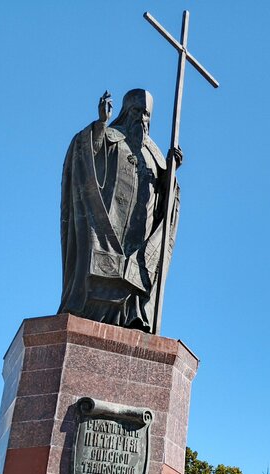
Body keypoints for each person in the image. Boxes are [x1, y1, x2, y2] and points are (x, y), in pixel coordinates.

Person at [59, 89, 181, 332]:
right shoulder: (110, 136)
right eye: (137, 112)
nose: (142, 119)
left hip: (140, 228)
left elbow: (166, 203)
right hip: (110, 221)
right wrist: (101, 124)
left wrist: (171, 173)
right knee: (105, 266)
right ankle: (93, 312)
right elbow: (86, 154)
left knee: (138, 268)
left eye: (146, 114)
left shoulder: (154, 155)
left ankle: (133, 315)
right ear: (126, 112)